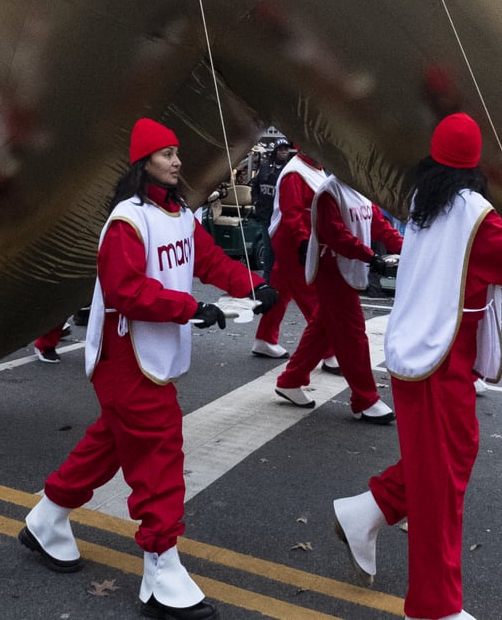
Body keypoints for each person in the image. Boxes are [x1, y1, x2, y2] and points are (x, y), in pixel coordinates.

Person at [20, 119, 272, 619]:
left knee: (111, 441)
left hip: (148, 355)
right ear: (143, 164)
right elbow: (123, 291)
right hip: (126, 356)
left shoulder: (179, 214)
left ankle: (47, 518)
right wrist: (190, 309)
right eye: (166, 154)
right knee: (159, 453)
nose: (176, 162)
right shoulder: (127, 221)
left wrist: (253, 284)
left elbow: (208, 261)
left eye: (177, 153)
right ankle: (161, 567)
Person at [329, 114, 502, 618]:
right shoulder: (474, 213)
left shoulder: (425, 200)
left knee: (448, 461)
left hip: (425, 353)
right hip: (440, 359)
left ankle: (368, 510)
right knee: (443, 485)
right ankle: (434, 606)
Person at [274, 170, 402, 421]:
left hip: (347, 267)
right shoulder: (329, 192)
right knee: (352, 334)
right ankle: (365, 398)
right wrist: (372, 257)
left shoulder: (359, 190)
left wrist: (405, 247)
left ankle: (291, 379)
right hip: (332, 270)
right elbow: (335, 235)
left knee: (323, 328)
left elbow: (379, 225)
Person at [254, 148, 328, 360]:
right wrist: (303, 242)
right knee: (311, 295)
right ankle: (329, 349)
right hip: (294, 241)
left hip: (300, 238)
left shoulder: (312, 168)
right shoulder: (295, 173)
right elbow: (292, 213)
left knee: (280, 290)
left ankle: (264, 338)